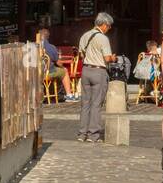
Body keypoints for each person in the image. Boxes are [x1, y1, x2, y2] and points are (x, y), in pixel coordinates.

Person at [77, 12, 116, 144]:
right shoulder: (103, 38)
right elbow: (107, 58)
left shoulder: (84, 36)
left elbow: (81, 54)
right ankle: (93, 134)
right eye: (109, 26)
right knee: (96, 104)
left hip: (86, 70)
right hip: (99, 71)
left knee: (85, 104)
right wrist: (113, 58)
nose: (109, 28)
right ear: (104, 24)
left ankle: (82, 133)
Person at [38, 25, 75, 101]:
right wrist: (61, 64)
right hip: (47, 73)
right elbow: (59, 63)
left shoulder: (33, 47)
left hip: (36, 74)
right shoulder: (51, 47)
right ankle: (69, 95)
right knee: (64, 71)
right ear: (48, 37)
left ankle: (50, 94)